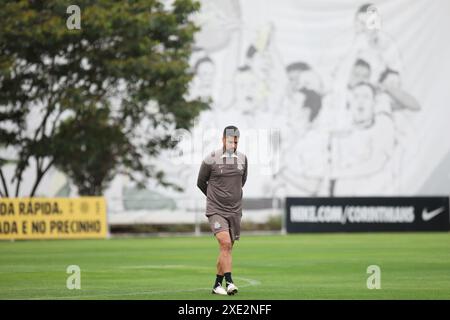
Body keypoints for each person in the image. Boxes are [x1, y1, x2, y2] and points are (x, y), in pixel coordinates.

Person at [197, 125, 248, 295]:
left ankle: (217, 285)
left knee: (225, 249)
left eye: (235, 141)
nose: (233, 144)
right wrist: (214, 199)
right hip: (215, 210)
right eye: (230, 140)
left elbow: (242, 182)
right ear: (223, 140)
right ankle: (230, 283)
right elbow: (200, 182)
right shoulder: (211, 159)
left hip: (234, 211)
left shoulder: (243, 159)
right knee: (225, 243)